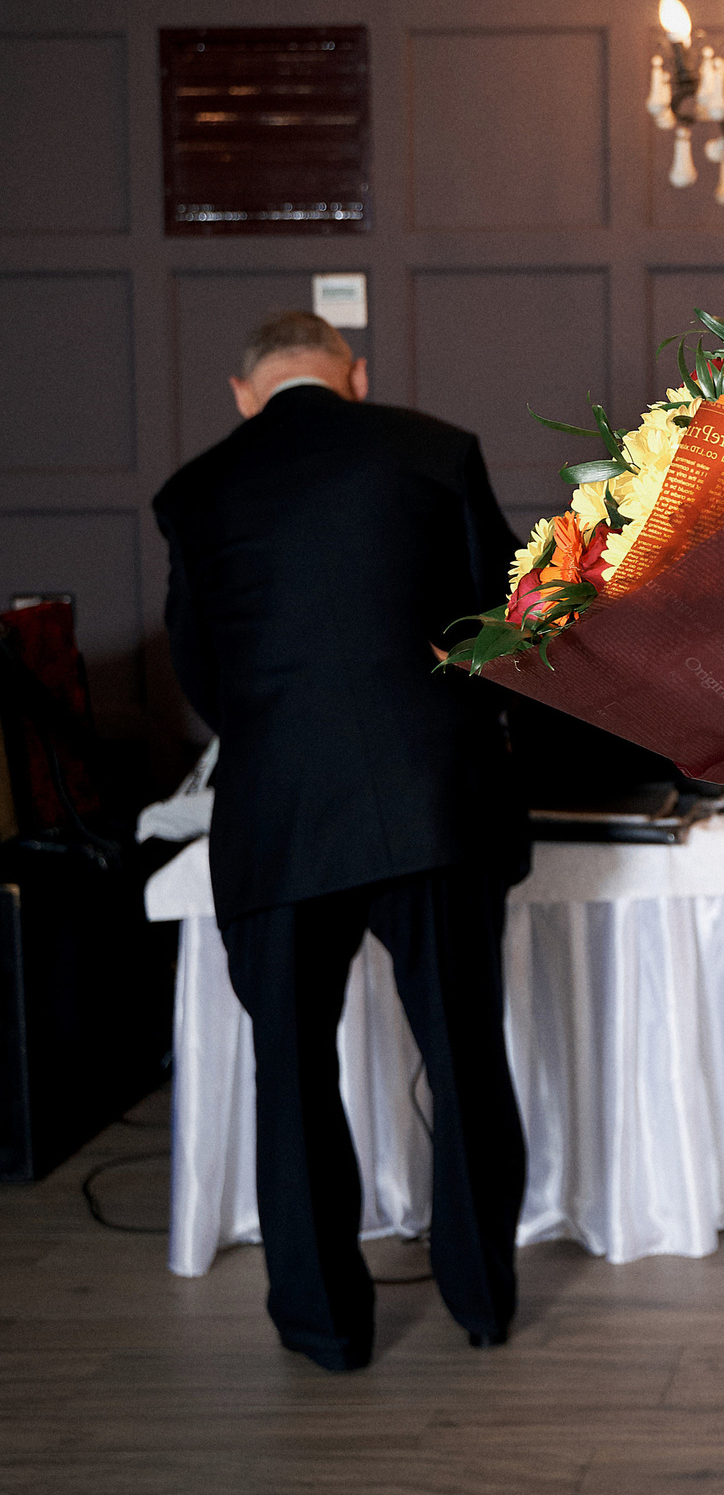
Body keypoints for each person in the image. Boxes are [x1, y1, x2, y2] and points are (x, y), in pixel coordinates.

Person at [154, 310, 531, 1372]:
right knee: (461, 1058)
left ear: (244, 392)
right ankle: (480, 1302)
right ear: (354, 376)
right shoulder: (435, 449)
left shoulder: (192, 492)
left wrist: (282, 742)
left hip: (276, 818)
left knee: (291, 1072)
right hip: (431, 802)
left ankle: (323, 1327)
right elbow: (505, 623)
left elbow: (201, 672)